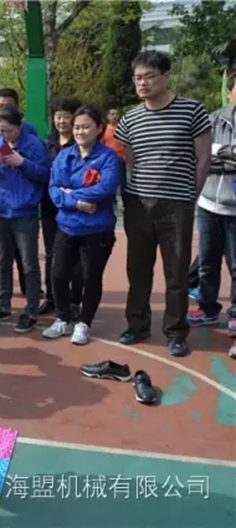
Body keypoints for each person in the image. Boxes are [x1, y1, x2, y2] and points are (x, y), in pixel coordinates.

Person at [116, 50, 212, 357]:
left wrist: (190, 195)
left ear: (166, 76)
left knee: (177, 272)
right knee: (138, 270)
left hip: (177, 204)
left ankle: (175, 332)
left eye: (149, 76)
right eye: (137, 78)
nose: (142, 83)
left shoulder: (192, 111)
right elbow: (131, 161)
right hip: (138, 204)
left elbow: (203, 159)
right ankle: (137, 325)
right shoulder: (130, 119)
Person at [43, 105, 120, 344]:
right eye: (76, 127)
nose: (80, 131)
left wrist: (70, 193)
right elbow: (54, 189)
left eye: (86, 127)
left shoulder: (108, 158)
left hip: (97, 230)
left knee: (90, 278)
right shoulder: (64, 156)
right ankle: (62, 318)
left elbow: (105, 188)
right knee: (58, 275)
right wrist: (77, 202)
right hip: (67, 227)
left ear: (99, 128)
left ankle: (84, 323)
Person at [0, 105, 51, 333]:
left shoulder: (34, 145)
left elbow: (45, 175)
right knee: (2, 261)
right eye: (1, 131)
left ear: (20, 126)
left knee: (29, 263)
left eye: (9, 130)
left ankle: (31, 310)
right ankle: (4, 305)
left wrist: (22, 163)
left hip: (24, 211)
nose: (6, 135)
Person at [188, 75, 236, 335]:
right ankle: (207, 308)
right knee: (207, 261)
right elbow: (200, 156)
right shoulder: (212, 119)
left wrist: (217, 154)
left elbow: (212, 157)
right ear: (229, 93)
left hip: (234, 208)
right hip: (208, 204)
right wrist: (227, 155)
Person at [41, 97, 84, 317]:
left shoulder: (81, 144)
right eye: (58, 116)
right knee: (51, 254)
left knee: (74, 256)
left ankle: (75, 300)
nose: (61, 121)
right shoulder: (47, 143)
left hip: (73, 207)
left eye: (66, 117)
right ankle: (52, 298)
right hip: (50, 205)